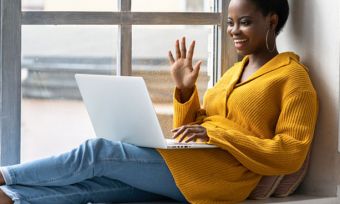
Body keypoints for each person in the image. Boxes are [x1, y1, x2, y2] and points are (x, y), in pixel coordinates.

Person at [0, 0, 318, 203]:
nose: (234, 31)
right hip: (192, 166)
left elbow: (291, 153)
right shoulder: (235, 70)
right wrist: (184, 91)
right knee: (101, 186)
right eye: (230, 23)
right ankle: (12, 197)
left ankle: (6, 175)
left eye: (244, 22)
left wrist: (217, 135)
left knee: (98, 152)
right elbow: (188, 130)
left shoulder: (293, 77)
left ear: (272, 21)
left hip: (223, 178)